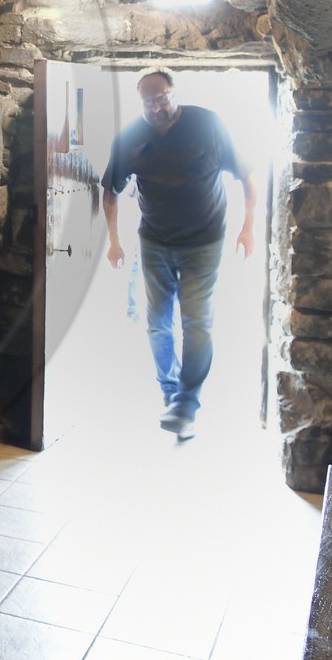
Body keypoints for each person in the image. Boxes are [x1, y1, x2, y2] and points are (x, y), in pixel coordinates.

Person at [102, 68, 258, 440]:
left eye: (162, 98)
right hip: (154, 239)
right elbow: (110, 190)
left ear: (175, 94)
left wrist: (248, 226)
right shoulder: (129, 138)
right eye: (148, 102)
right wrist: (114, 239)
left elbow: (246, 176)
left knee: (196, 322)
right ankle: (171, 395)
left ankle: (188, 402)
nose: (156, 107)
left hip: (204, 240)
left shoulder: (207, 125)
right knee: (157, 321)